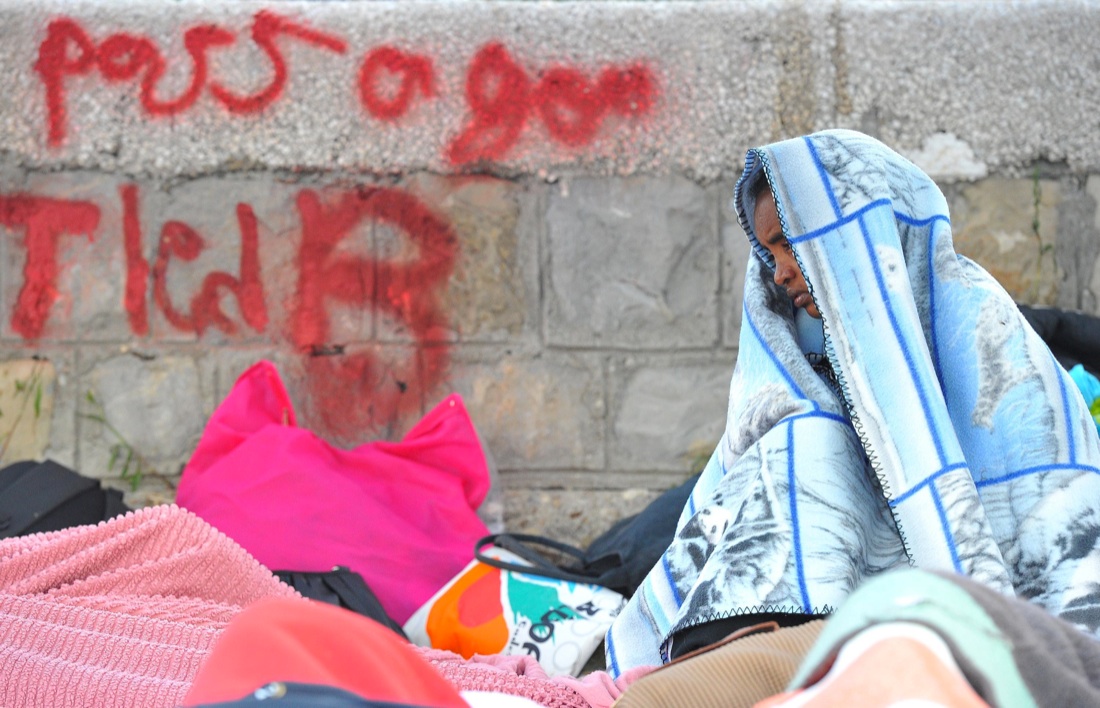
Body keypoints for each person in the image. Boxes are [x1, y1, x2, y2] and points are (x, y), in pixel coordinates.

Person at [604, 129, 1100, 677]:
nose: (779, 271)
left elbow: (1052, 508)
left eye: (788, 243)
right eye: (769, 252)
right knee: (803, 439)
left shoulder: (985, 327)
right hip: (844, 610)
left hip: (1008, 612)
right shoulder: (813, 359)